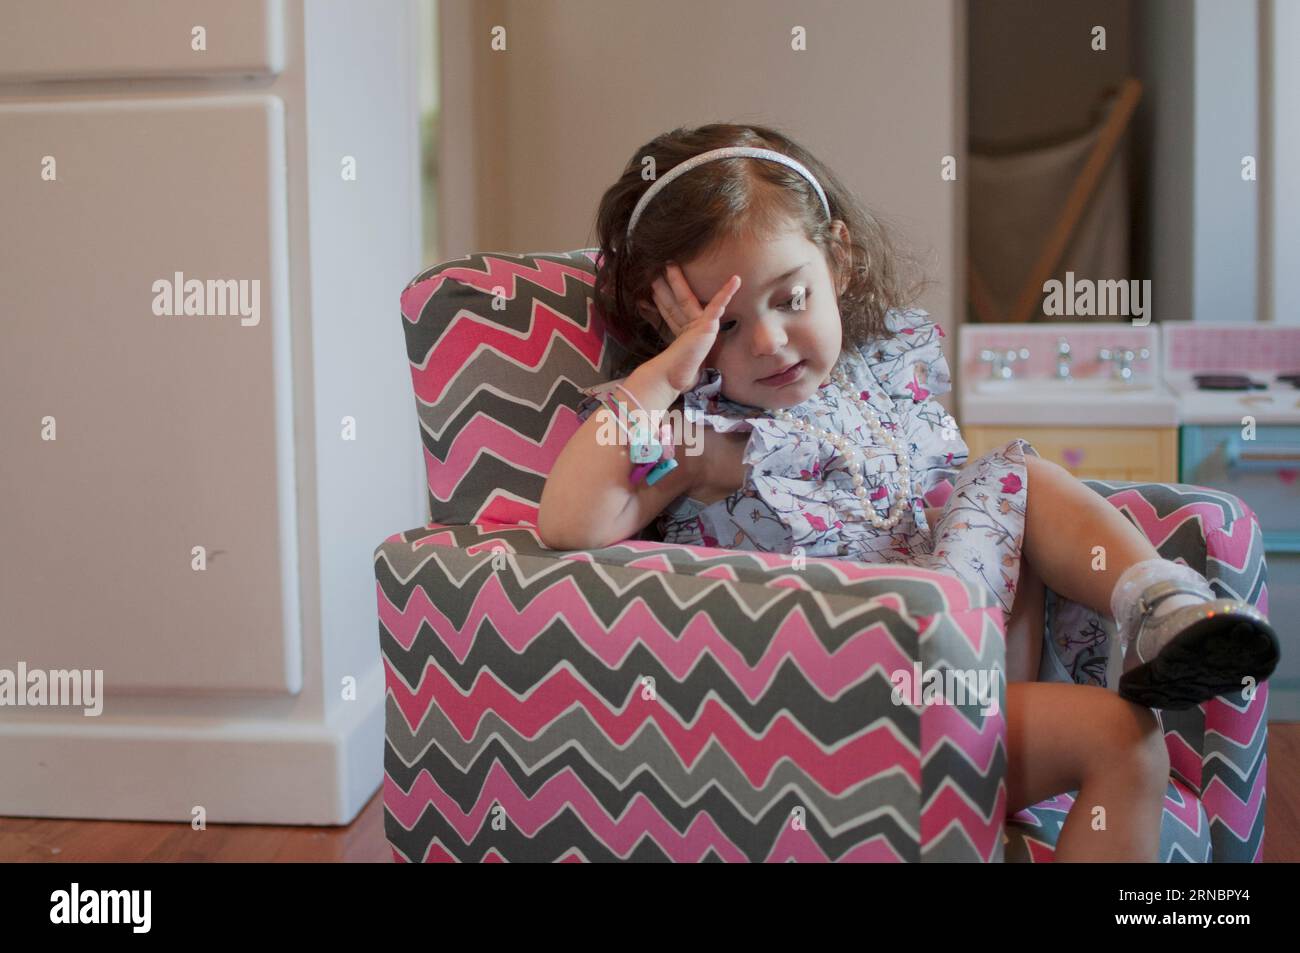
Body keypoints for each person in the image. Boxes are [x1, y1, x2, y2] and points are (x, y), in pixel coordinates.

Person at [537, 123, 1280, 861]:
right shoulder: (714, 442)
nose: (768, 340)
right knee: (1123, 736)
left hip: (971, 677)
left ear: (839, 260)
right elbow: (569, 519)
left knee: (1012, 477)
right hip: (862, 719)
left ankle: (1155, 601)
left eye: (791, 297)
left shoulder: (883, 381)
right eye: (723, 324)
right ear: (675, 331)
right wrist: (663, 378)